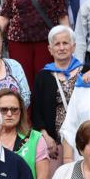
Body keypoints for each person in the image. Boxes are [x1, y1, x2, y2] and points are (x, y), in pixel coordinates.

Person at [0, 0, 70, 87]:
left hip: (46, 42)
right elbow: (4, 16)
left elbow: (62, 16)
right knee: (21, 82)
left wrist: (68, 40)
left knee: (46, 81)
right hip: (18, 42)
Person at [31, 25, 83, 170]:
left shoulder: (86, 73)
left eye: (65, 43)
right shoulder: (43, 76)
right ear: (50, 49)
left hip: (83, 139)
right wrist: (46, 137)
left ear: (73, 47)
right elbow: (36, 111)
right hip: (54, 143)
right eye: (57, 44)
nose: (61, 48)